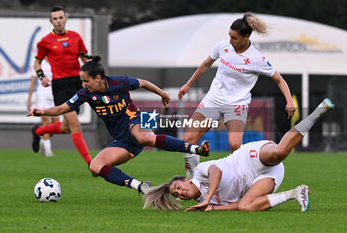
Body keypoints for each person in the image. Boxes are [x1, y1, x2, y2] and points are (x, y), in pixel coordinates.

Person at [27, 60, 210, 194]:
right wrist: (41, 112)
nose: (83, 85)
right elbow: (60, 109)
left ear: (98, 78)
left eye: (86, 81)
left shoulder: (120, 82)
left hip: (137, 119)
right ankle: (141, 187)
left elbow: (144, 83)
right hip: (121, 139)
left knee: (144, 137)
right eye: (81, 81)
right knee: (95, 166)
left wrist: (162, 94)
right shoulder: (85, 94)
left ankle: (196, 149)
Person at [143, 98, 334, 211]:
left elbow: (216, 172)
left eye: (178, 187)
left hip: (248, 159)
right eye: (177, 194)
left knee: (280, 152)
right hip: (263, 177)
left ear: (185, 179)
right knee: (246, 207)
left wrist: (209, 199)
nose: (181, 193)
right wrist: (213, 208)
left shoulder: (199, 173)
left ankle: (318, 112)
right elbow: (237, 204)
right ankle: (295, 193)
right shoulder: (202, 202)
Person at [178, 13, 296, 179]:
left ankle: (243, 181)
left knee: (235, 145)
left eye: (234, 38)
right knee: (188, 138)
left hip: (237, 104)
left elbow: (279, 79)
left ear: (246, 37)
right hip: (213, 99)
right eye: (229, 37)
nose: (230, 41)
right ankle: (193, 182)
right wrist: (188, 84)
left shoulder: (256, 59)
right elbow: (206, 64)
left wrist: (289, 100)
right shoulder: (223, 47)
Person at [32, 5, 93, 165]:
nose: (58, 21)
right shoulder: (45, 42)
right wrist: (42, 77)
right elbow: (37, 63)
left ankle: (38, 131)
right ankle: (91, 163)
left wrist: (92, 67)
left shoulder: (75, 37)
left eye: (61, 18)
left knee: (66, 127)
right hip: (60, 85)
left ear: (65, 19)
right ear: (51, 21)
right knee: (75, 124)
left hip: (77, 83)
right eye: (55, 19)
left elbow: (84, 58)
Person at [27, 58, 59, 156]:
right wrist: (29, 98)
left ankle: (41, 138)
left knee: (56, 125)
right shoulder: (39, 65)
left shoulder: (56, 63)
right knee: (46, 122)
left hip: (54, 97)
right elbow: (32, 82)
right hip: (43, 96)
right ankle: (48, 152)